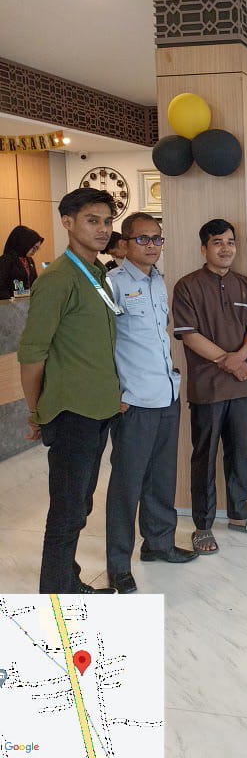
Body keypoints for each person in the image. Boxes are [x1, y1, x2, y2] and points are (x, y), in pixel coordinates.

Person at [17, 188, 120, 594]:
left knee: (80, 504)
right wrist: (36, 412)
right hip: (71, 411)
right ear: (67, 222)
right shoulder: (58, 279)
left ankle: (66, 578)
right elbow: (32, 355)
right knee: (66, 508)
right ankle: (56, 591)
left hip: (98, 408)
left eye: (107, 221)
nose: (102, 229)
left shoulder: (97, 273)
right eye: (93, 220)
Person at [105, 213, 197, 593]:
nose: (152, 246)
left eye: (157, 239)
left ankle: (158, 543)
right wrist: (113, 391)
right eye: (142, 239)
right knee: (127, 485)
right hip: (134, 400)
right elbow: (103, 342)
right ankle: (118, 565)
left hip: (166, 393)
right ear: (125, 244)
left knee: (162, 477)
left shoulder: (159, 281)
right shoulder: (112, 283)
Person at [172, 219, 247, 554]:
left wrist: (239, 358)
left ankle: (239, 514)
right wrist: (226, 361)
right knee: (204, 455)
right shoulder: (187, 286)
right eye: (218, 242)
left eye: (230, 242)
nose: (226, 248)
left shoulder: (245, 285)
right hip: (208, 387)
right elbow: (189, 335)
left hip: (244, 385)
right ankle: (202, 525)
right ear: (204, 248)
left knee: (240, 452)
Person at [0, 225, 43, 298]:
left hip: (26, 302)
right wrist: (12, 298)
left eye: (37, 248)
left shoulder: (29, 260)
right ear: (24, 243)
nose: (35, 251)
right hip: (10, 303)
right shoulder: (6, 260)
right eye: (33, 247)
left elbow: (34, 282)